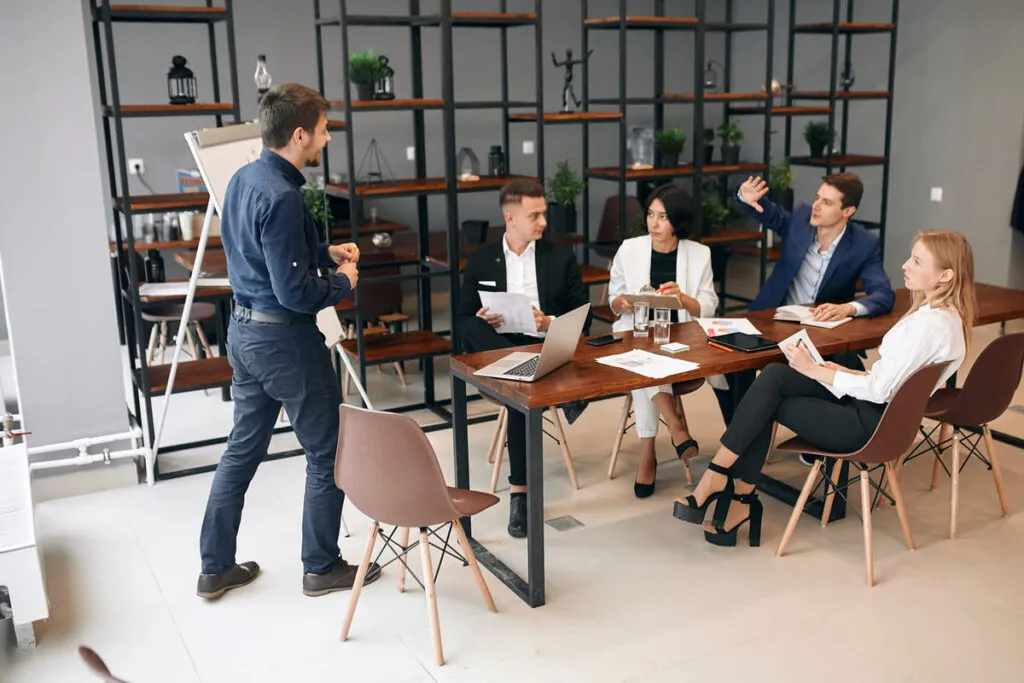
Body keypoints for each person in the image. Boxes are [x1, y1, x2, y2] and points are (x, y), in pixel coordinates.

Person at [197, 83, 382, 599]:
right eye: (322, 130)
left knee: (241, 450)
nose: (326, 138)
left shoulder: (242, 179)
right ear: (299, 134)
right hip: (285, 343)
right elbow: (296, 292)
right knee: (327, 451)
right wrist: (344, 281)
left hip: (244, 335)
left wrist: (324, 251)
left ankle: (214, 567)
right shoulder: (283, 196)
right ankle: (322, 566)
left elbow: (263, 253)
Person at [675, 231, 975, 547]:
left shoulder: (928, 326)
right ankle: (733, 492)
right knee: (775, 376)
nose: (905, 265)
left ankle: (724, 485)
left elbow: (881, 391)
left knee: (766, 401)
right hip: (883, 415)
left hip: (869, 425)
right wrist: (838, 370)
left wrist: (815, 370)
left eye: (916, 260)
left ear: (945, 275)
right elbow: (894, 382)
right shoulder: (946, 319)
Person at [457, 178, 590, 538]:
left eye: (543, 214)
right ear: (510, 216)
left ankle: (520, 493)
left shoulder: (559, 257)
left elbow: (584, 314)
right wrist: (481, 319)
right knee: (517, 387)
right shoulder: (483, 259)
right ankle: (521, 489)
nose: (544, 222)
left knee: (523, 390)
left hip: (544, 343)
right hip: (499, 346)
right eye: (535, 215)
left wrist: (548, 322)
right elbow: (462, 316)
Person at [715, 173, 896, 426]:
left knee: (834, 369)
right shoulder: (801, 219)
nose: (817, 205)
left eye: (828, 202)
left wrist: (848, 308)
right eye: (817, 197)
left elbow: (883, 295)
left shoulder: (863, 244)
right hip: (772, 321)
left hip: (820, 334)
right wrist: (746, 198)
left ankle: (811, 437)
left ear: (848, 211)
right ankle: (742, 434)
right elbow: (771, 214)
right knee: (730, 363)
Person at [607, 184, 718, 498]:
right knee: (644, 359)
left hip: (681, 340)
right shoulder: (630, 248)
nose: (653, 224)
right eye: (650, 215)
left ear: (678, 222)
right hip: (635, 334)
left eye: (663, 217)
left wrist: (682, 298)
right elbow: (613, 299)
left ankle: (649, 454)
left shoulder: (699, 254)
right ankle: (675, 427)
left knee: (650, 364)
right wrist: (623, 304)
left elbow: (708, 305)